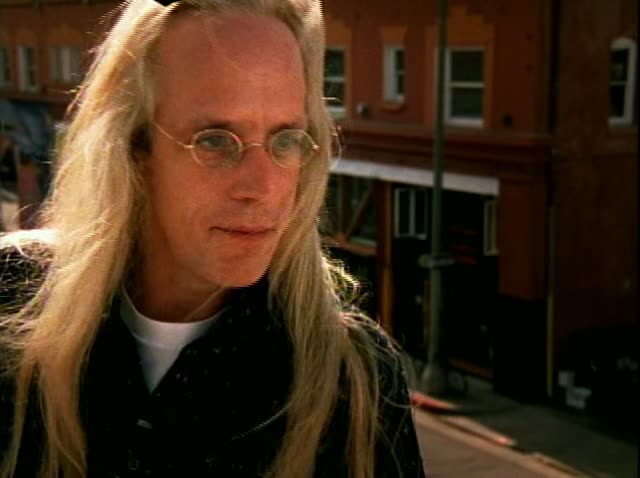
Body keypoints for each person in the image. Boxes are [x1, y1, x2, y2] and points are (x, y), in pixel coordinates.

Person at [0, 0, 426, 476]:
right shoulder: (11, 294)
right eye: (216, 140)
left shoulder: (355, 377)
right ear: (135, 147)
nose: (262, 188)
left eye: (286, 139)